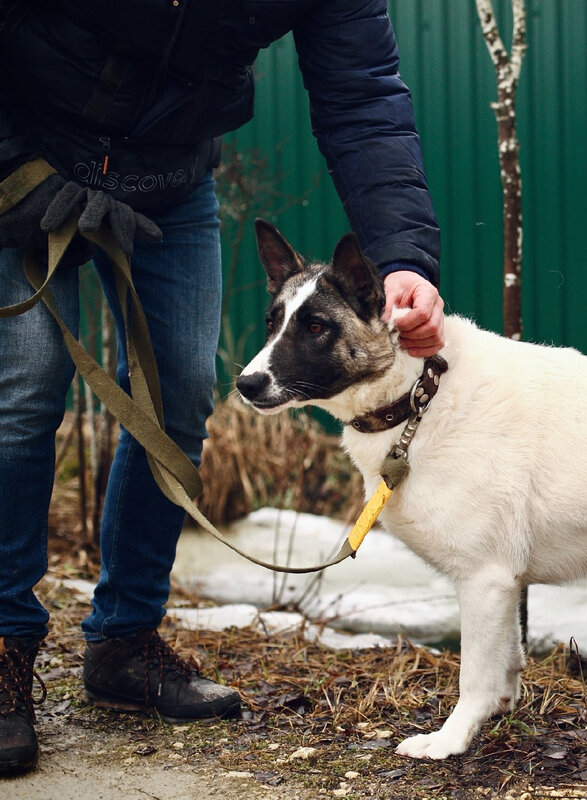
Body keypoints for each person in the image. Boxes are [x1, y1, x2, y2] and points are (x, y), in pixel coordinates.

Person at [0, 0, 445, 774]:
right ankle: (4, 641)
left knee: (175, 397)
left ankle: (124, 643)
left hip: (170, 174)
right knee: (28, 389)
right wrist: (11, 165)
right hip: (26, 148)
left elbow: (364, 94)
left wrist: (403, 255)